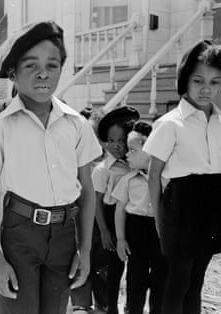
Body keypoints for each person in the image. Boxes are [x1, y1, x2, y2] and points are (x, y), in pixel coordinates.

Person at [0, 20, 102, 314]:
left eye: (52, 65)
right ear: (13, 73)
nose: (43, 73)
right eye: (31, 65)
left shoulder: (76, 125)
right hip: (20, 234)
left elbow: (87, 191)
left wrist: (86, 251)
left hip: (65, 233)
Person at [144, 40, 221, 314]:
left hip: (212, 205)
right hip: (181, 207)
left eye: (214, 82)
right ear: (184, 81)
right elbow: (153, 177)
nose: (206, 88)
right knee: (178, 280)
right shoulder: (170, 124)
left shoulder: (220, 122)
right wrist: (158, 220)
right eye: (198, 80)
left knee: (197, 279)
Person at [113, 121, 167, 314]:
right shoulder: (128, 180)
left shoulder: (166, 179)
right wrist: (120, 239)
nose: (127, 155)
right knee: (136, 279)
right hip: (137, 231)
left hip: (161, 232)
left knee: (161, 280)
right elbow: (120, 209)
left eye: (133, 150)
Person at [93, 105, 139, 314]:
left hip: (132, 220)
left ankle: (131, 305)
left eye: (121, 141)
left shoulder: (134, 165)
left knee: (135, 270)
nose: (116, 146)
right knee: (110, 269)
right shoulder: (103, 170)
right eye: (111, 141)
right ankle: (108, 306)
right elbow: (96, 202)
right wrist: (103, 231)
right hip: (108, 220)